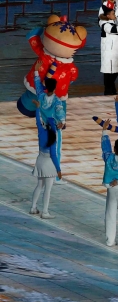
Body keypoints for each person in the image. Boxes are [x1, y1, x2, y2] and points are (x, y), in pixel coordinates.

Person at [29, 76, 62, 219]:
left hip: (39, 159)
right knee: (48, 189)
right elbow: (54, 156)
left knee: (39, 185)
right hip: (49, 163)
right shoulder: (53, 138)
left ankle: (33, 207)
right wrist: (59, 170)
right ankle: (45, 212)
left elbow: (38, 121)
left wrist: (37, 109)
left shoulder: (41, 132)